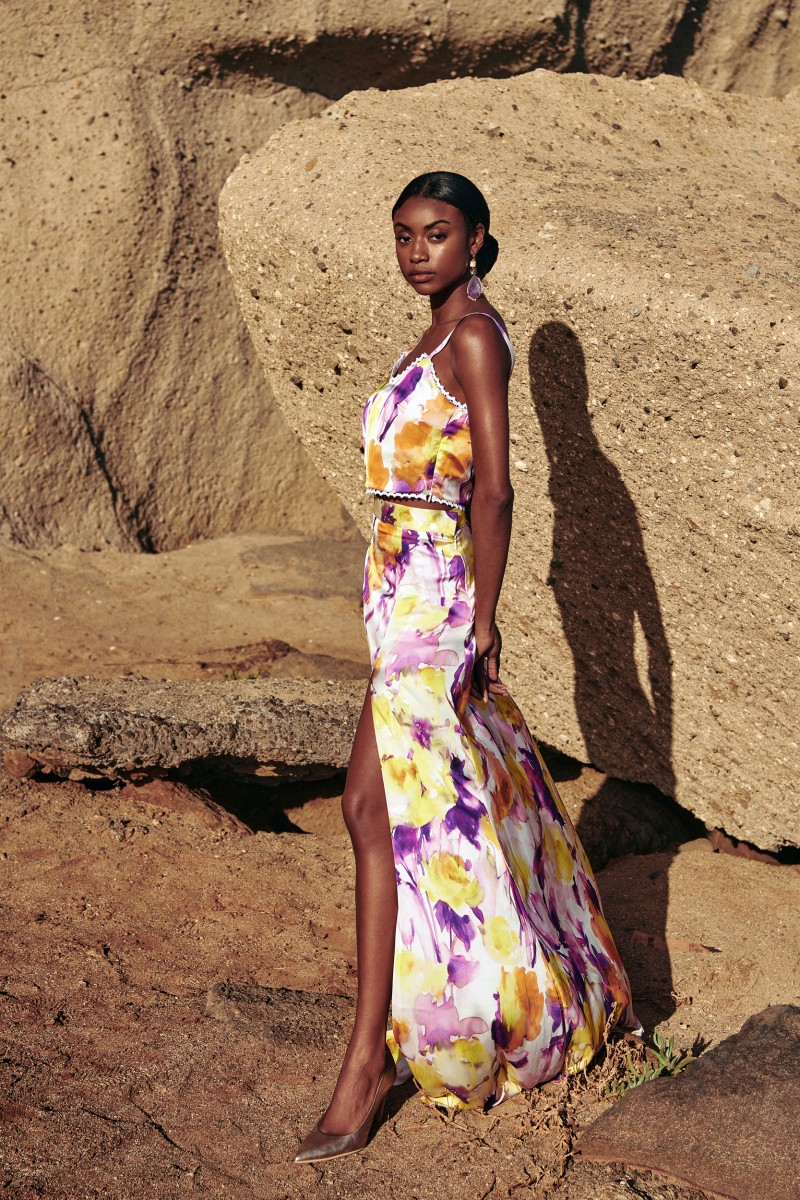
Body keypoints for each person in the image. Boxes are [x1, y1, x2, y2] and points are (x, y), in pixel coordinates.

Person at [294, 171, 640, 1165]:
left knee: (393, 809)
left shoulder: (477, 337)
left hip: (435, 601)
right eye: (402, 235)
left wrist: (481, 622)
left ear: (477, 240)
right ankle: (402, 1028)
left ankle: (366, 1064)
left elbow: (493, 493)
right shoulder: (434, 334)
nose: (415, 251)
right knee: (368, 809)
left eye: (435, 235)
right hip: (395, 592)